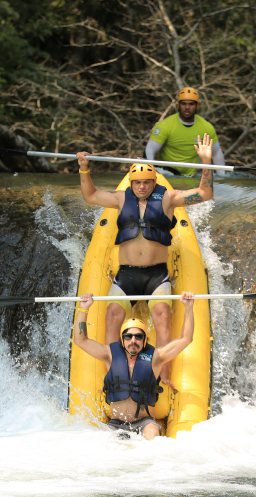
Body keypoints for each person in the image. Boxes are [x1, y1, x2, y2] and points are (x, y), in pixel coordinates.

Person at [76, 134, 213, 387]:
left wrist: (206, 162)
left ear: (153, 182)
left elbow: (204, 194)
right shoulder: (120, 198)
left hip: (156, 275)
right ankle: (113, 374)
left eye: (147, 183)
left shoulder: (169, 198)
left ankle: (163, 376)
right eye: (137, 183)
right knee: (112, 315)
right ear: (131, 183)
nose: (142, 187)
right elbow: (91, 196)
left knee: (162, 314)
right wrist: (84, 169)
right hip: (127, 274)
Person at [72, 291, 196, 439]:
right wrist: (84, 309)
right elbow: (81, 340)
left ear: (144, 340)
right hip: (116, 423)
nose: (133, 340)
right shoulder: (109, 354)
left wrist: (188, 308)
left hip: (144, 423)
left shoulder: (156, 357)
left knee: (152, 433)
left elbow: (186, 339)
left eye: (138, 337)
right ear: (122, 339)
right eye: (128, 336)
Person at [145, 87, 226, 176]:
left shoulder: (206, 127)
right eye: (183, 104)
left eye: (191, 104)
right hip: (168, 174)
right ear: (179, 105)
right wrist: (150, 172)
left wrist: (222, 176)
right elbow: (150, 149)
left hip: (191, 176)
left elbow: (216, 153)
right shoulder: (165, 125)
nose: (187, 107)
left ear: (197, 106)